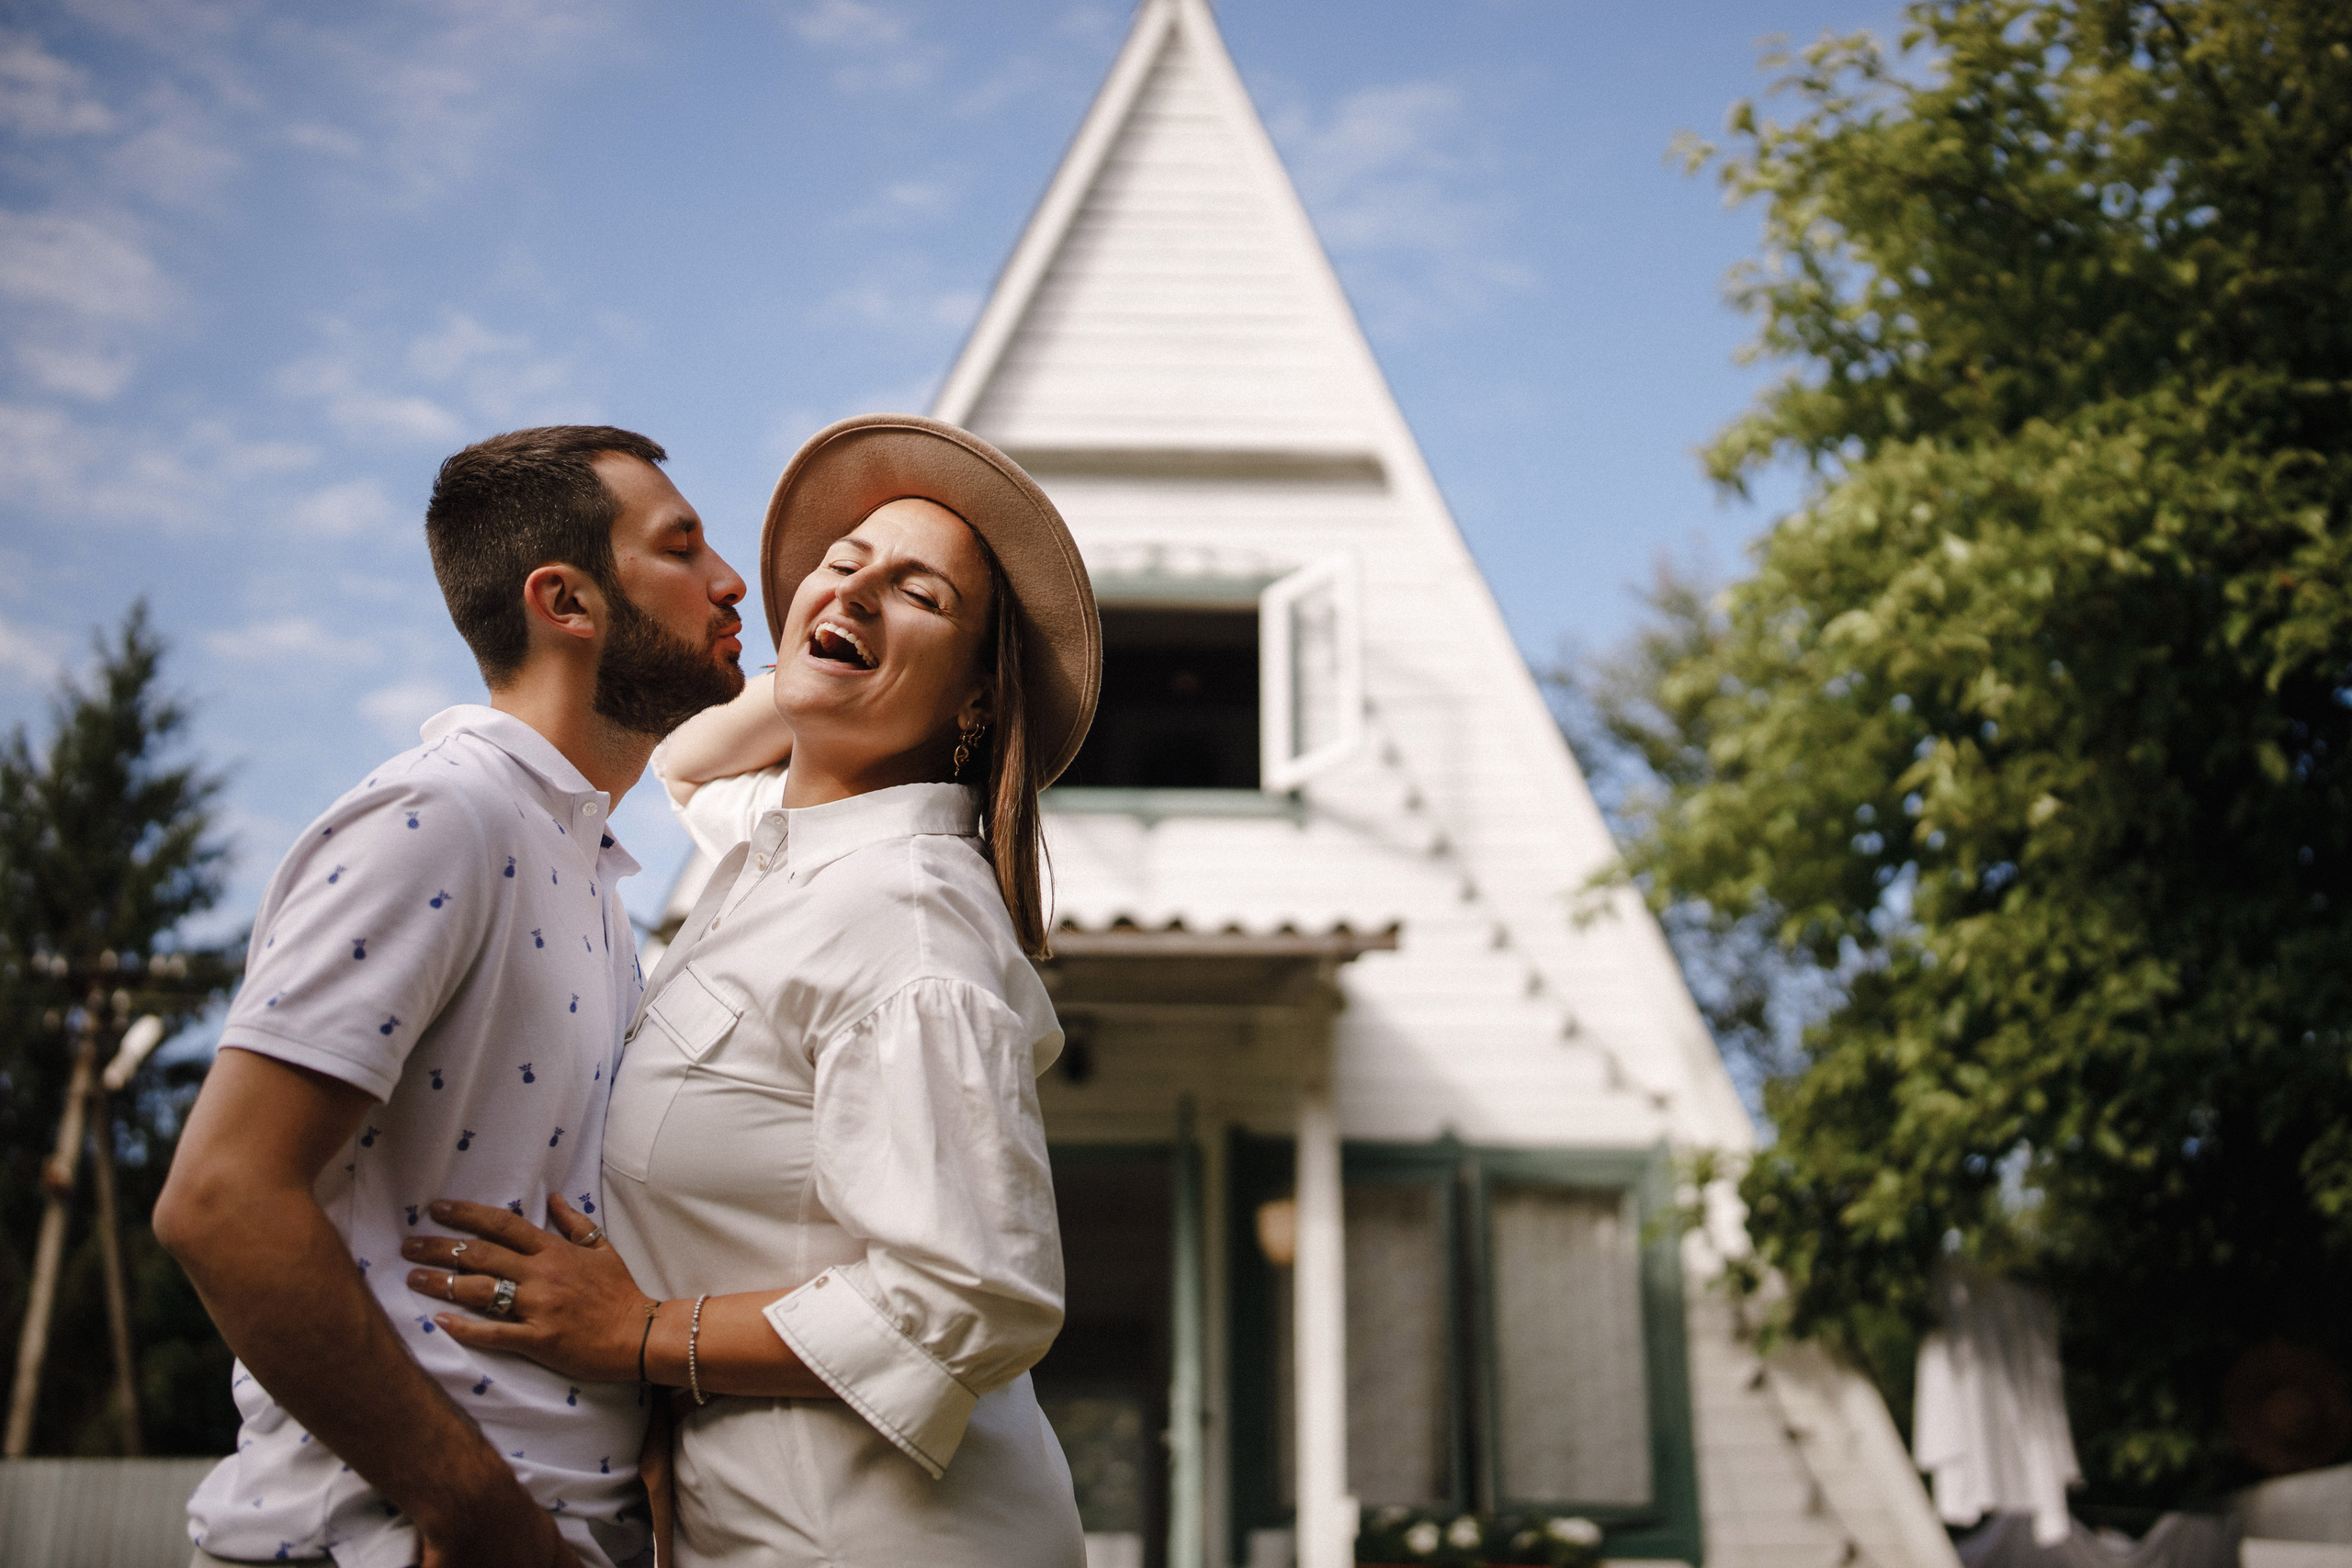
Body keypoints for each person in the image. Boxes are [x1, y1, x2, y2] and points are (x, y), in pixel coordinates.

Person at [398, 413, 1099, 1567]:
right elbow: (685, 760)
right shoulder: (774, 848)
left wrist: (640, 1336)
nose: (862, 587)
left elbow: (976, 1294)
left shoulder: (908, 920)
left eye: (923, 593)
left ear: (978, 700)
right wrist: (834, 646)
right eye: (845, 559)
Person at [155, 426, 749, 1568]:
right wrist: (487, 1524)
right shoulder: (442, 820)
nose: (727, 583)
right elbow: (221, 1201)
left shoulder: (584, 868)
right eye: (682, 546)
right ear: (565, 600)